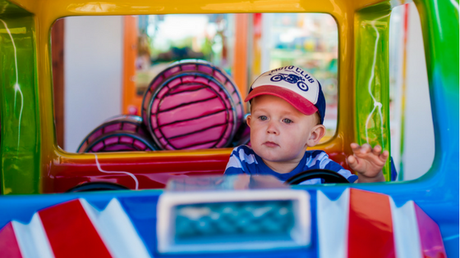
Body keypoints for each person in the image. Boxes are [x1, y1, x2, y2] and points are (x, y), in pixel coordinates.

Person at [225, 65, 388, 184]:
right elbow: (229, 204)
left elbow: (359, 199)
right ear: (250, 123)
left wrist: (371, 177)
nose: (271, 129)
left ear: (313, 135)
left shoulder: (320, 164)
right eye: (262, 118)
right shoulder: (242, 159)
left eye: (287, 120)